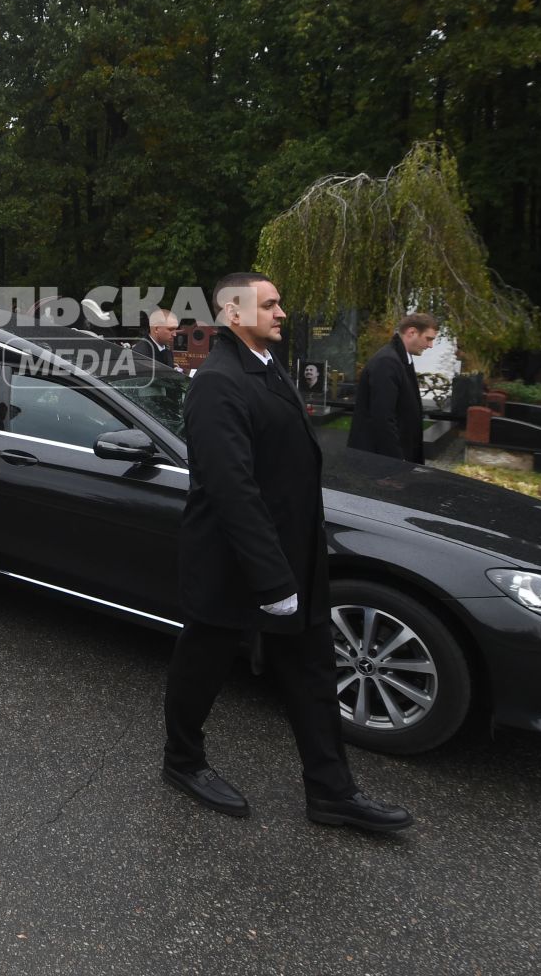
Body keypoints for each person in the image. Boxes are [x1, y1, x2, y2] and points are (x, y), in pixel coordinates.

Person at [161, 271, 412, 832]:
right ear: (232, 313)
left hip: (294, 555)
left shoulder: (267, 368)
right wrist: (273, 582)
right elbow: (232, 490)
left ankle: (331, 792)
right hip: (234, 563)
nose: (281, 313)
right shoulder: (217, 381)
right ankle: (182, 760)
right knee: (203, 665)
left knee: (313, 674)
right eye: (269, 304)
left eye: (280, 304)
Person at [346, 314, 439, 463]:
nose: (430, 345)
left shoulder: (400, 359)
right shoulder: (387, 362)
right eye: (428, 339)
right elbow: (383, 418)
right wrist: (396, 462)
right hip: (379, 462)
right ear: (412, 332)